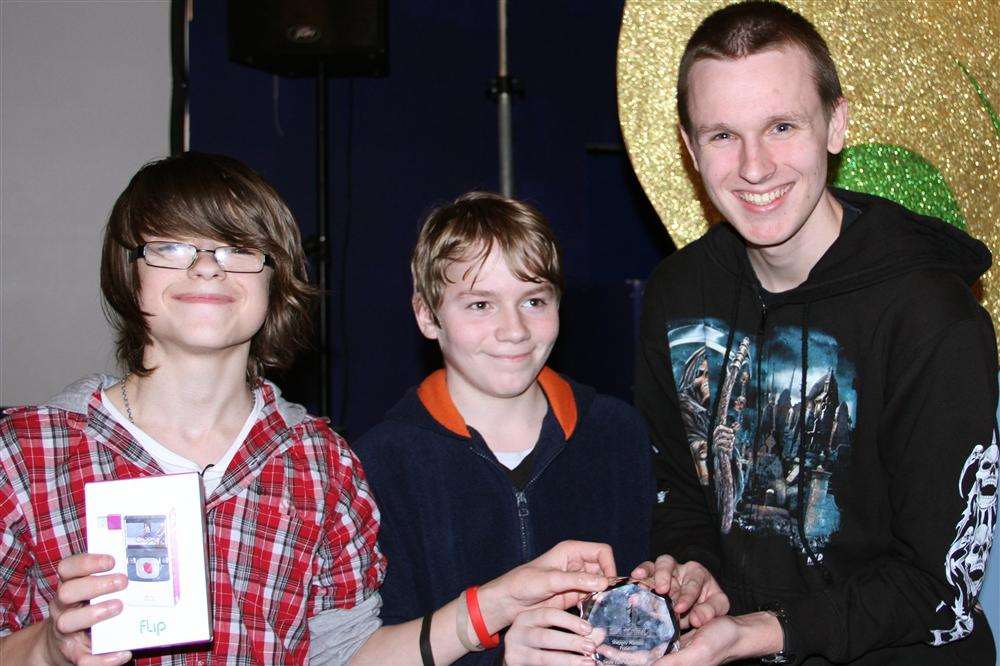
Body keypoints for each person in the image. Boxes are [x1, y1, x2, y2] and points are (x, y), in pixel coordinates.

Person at [0, 152, 624, 666]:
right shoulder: (28, 452)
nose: (208, 267)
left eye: (238, 248)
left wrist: (500, 600)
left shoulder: (321, 464)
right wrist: (47, 651)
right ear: (128, 272)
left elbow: (350, 658)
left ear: (274, 280)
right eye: (172, 246)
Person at [634, 2, 998, 664]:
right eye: (722, 135)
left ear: (835, 124)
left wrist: (762, 630)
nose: (753, 167)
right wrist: (696, 574)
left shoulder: (928, 313)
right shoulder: (678, 295)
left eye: (781, 126)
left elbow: (938, 586)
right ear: (688, 149)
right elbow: (682, 494)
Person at [354, 191, 729, 664]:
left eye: (533, 300)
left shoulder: (617, 432)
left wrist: (676, 584)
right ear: (428, 315)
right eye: (479, 305)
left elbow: (666, 562)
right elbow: (374, 648)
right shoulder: (381, 463)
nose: (514, 330)